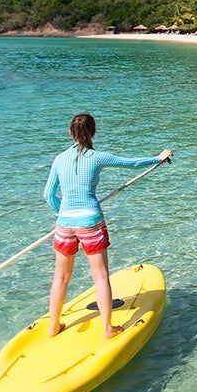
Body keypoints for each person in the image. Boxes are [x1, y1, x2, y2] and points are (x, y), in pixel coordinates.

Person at [43, 113, 171, 338]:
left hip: (64, 224)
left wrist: (63, 212)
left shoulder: (59, 159)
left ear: (69, 133)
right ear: (93, 132)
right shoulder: (97, 157)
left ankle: (53, 325)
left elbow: (48, 195)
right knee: (100, 276)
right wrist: (158, 157)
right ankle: (107, 328)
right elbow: (131, 163)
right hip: (91, 222)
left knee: (60, 277)